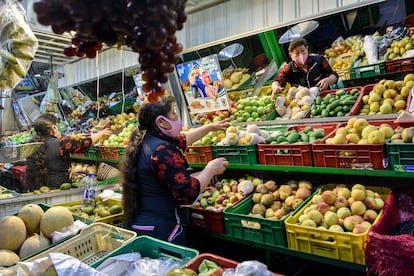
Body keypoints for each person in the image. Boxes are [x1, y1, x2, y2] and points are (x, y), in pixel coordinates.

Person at [121, 95, 230, 245]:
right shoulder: (162, 150)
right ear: (161, 122)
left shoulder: (148, 139)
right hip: (161, 230)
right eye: (173, 112)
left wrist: (210, 127)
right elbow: (188, 193)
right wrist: (210, 169)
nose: (176, 116)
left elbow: (183, 140)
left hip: (143, 223)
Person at [25, 114, 111, 190]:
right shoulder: (61, 143)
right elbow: (84, 143)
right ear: (54, 128)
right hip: (59, 187)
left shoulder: (31, 144)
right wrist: (101, 133)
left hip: (38, 186)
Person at [271, 38, 338, 98]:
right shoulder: (289, 68)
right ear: (291, 55)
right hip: (304, 106)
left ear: (307, 49)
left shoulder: (319, 60)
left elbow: (334, 75)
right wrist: (275, 87)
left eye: (303, 51)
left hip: (326, 98)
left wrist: (328, 80)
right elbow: (278, 80)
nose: (301, 55)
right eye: (297, 53)